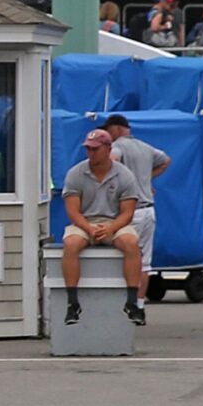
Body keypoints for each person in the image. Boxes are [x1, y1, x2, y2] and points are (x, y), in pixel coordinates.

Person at [59, 130, 145, 327]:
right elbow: (72, 211)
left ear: (108, 149)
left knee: (131, 242)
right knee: (70, 243)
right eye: (88, 149)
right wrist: (88, 228)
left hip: (114, 221)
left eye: (95, 149)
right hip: (85, 221)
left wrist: (111, 229)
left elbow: (127, 213)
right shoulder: (76, 173)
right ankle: (72, 303)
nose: (91, 153)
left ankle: (132, 302)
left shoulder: (124, 175)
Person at [99, 113, 169, 279]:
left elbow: (111, 160)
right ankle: (139, 301)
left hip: (129, 212)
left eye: (108, 131)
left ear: (116, 129)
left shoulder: (117, 146)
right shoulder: (145, 147)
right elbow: (166, 160)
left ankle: (123, 299)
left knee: (123, 257)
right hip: (149, 211)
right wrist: (146, 178)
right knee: (144, 262)